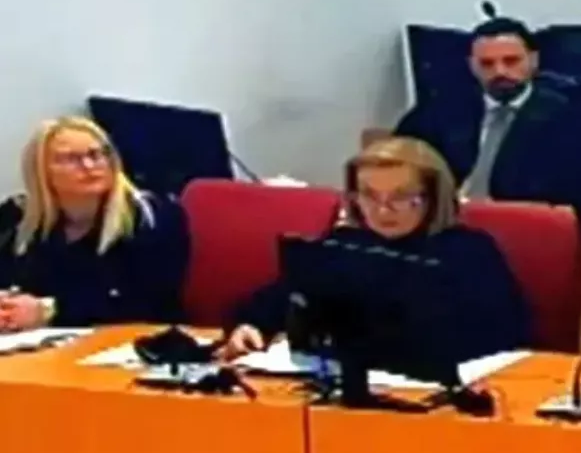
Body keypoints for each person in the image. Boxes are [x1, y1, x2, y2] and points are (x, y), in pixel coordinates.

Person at [220, 137, 530, 361]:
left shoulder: (469, 252)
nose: (383, 211)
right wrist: (252, 325)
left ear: (434, 197)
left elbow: (506, 333)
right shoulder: (345, 243)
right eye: (369, 196)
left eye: (401, 197)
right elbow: (281, 297)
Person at [0, 117, 189, 330]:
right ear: (40, 170)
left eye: (96, 154)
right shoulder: (17, 217)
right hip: (36, 342)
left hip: (133, 339)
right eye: (71, 159)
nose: (89, 166)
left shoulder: (153, 215)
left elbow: (142, 300)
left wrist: (49, 310)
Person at [393, 7, 581, 205]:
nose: (499, 72)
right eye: (487, 64)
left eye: (511, 61)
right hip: (450, 213)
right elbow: (399, 157)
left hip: (523, 214)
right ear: (471, 65)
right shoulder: (441, 110)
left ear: (533, 60)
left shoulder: (569, 117)